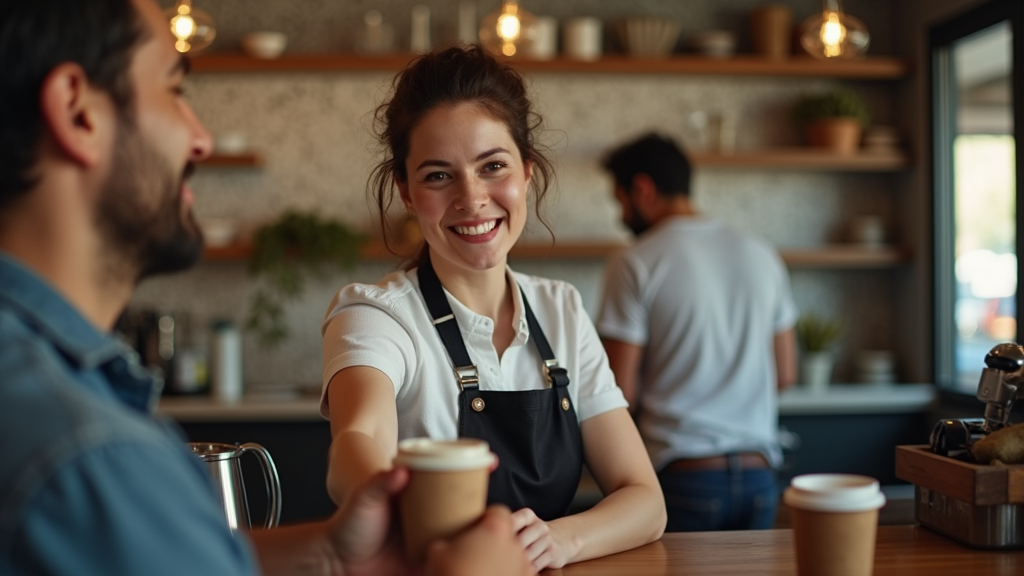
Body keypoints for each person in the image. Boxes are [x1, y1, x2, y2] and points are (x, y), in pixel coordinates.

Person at [0, 1, 532, 575]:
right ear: (78, 112)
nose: (199, 139)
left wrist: (330, 551)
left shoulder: (48, 391)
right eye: (174, 90)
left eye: (493, 166)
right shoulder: (87, 451)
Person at [321, 46, 666, 572]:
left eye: (493, 166)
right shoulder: (376, 314)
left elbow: (644, 499)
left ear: (527, 172)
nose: (472, 197)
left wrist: (558, 541)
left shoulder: (561, 309)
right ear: (406, 192)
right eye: (438, 175)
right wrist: (382, 494)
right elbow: (359, 438)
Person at [596, 133, 799, 532]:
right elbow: (786, 375)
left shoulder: (635, 262)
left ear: (642, 188)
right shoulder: (761, 254)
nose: (621, 217)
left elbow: (619, 392)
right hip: (761, 475)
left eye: (619, 202)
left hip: (684, 477)